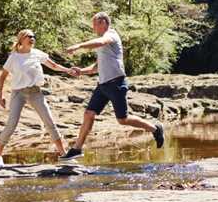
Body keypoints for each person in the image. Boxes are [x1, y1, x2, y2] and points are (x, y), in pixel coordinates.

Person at [59, 12, 164, 160]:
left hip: (116, 83)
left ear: (103, 22)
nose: (93, 28)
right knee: (89, 114)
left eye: (95, 24)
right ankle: (77, 149)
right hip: (102, 86)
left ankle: (155, 128)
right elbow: (97, 66)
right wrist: (81, 71)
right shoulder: (102, 43)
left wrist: (79, 46)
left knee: (123, 119)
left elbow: (101, 42)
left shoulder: (111, 35)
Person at [0, 29, 76, 168]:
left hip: (35, 92)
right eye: (29, 36)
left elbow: (53, 66)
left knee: (50, 122)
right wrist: (0, 95)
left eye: (33, 36)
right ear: (21, 39)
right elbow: (3, 76)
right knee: (11, 124)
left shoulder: (37, 54)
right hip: (18, 92)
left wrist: (68, 70)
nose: (32, 38)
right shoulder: (14, 57)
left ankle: (64, 155)